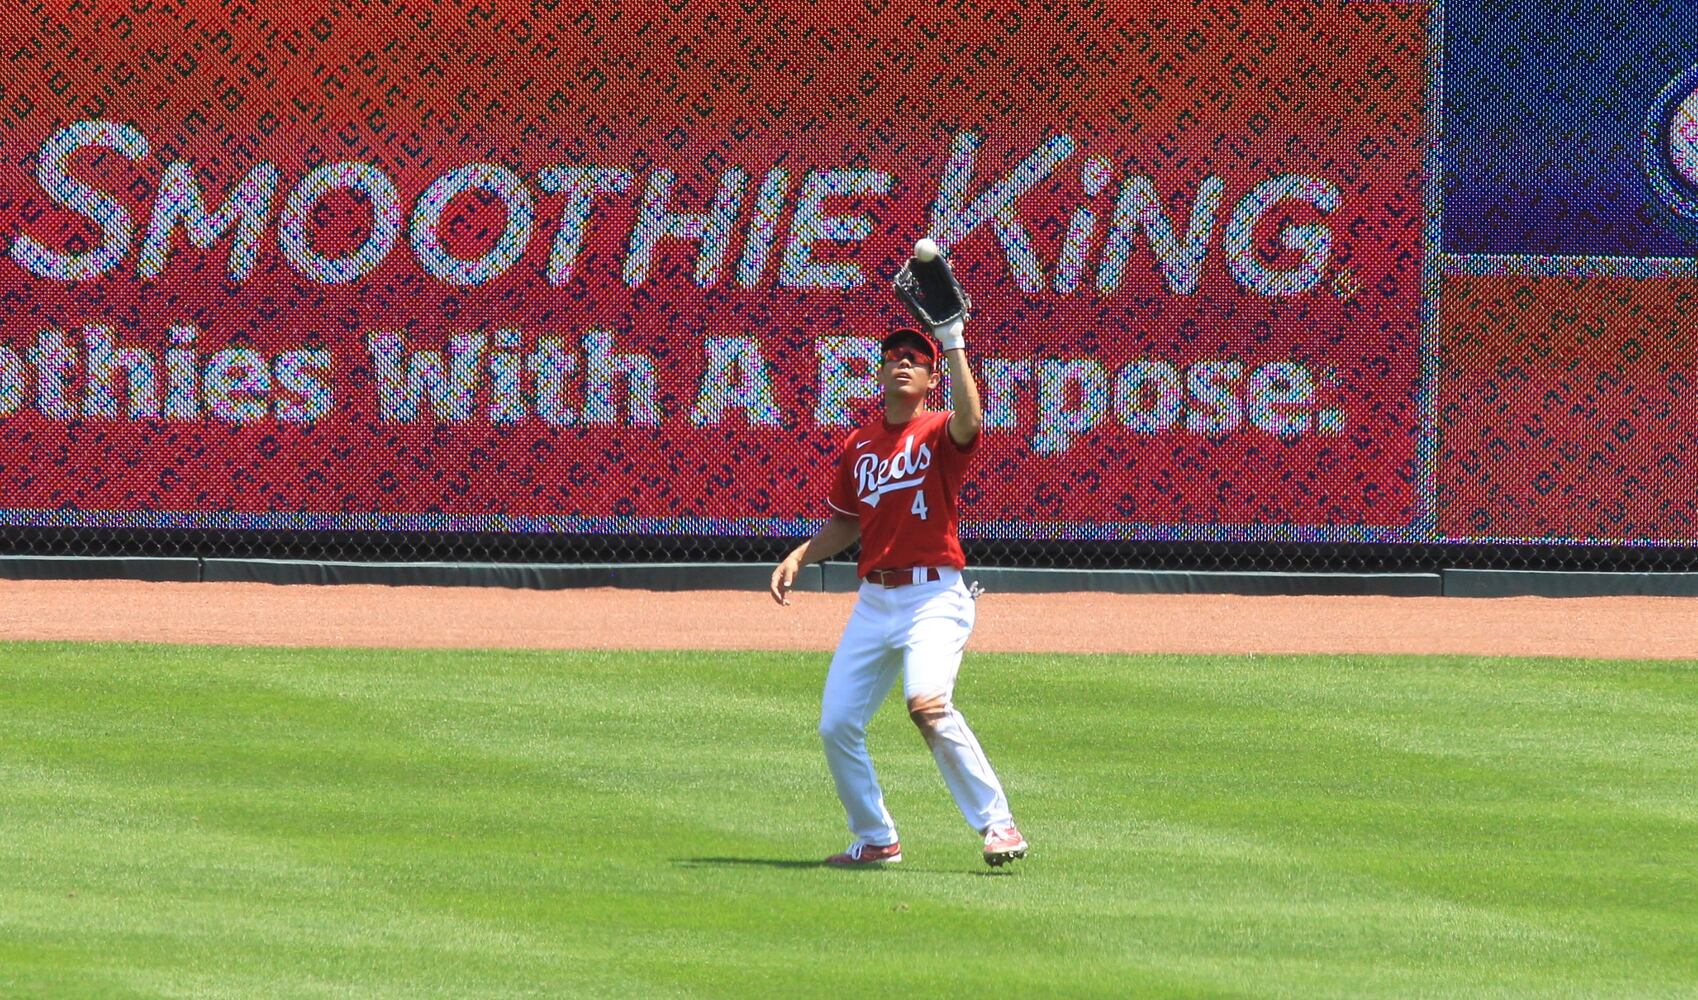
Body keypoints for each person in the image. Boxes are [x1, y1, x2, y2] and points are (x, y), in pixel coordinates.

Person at [769, 314, 1027, 868]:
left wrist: (952, 342)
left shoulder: (937, 430)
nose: (904, 362)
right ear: (881, 373)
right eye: (894, 357)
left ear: (932, 379)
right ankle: (876, 838)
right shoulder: (860, 445)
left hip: (934, 596)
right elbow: (847, 522)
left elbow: (972, 420)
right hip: (874, 600)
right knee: (837, 724)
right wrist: (800, 555)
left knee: (927, 705)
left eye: (916, 359)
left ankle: (999, 825)